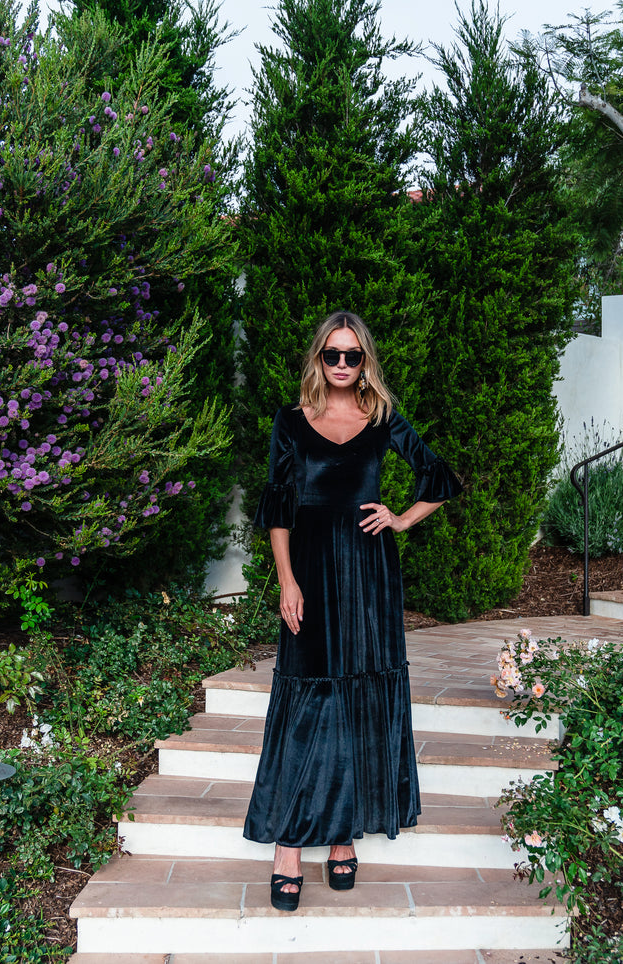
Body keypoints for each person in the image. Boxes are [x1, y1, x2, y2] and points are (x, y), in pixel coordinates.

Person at [245, 310, 462, 912]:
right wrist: (286, 580)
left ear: (366, 361)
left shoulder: (382, 418)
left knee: (356, 694)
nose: (342, 365)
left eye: (353, 356)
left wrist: (401, 517)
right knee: (308, 697)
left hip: (368, 573)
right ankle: (289, 845)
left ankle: (341, 834)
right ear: (318, 357)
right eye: (332, 355)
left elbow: (438, 477)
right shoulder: (291, 422)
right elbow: (278, 508)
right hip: (310, 570)